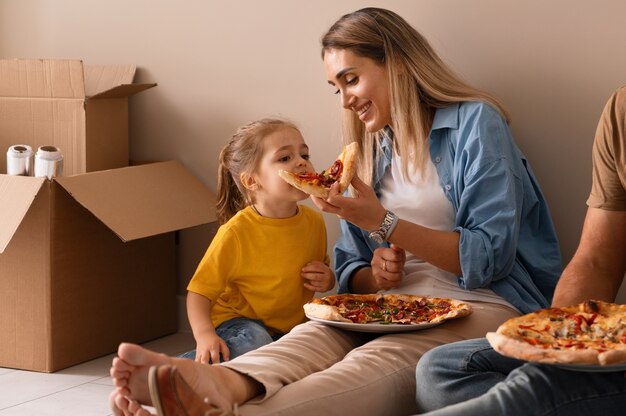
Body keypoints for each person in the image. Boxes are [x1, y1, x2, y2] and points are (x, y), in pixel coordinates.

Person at [108, 7, 562, 416]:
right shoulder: (368, 149)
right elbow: (350, 269)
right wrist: (377, 276)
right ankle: (217, 382)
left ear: (396, 62)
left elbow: (490, 258)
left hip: (482, 302)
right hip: (393, 304)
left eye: (351, 79)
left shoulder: (475, 123)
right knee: (312, 336)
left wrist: (384, 224)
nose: (344, 100)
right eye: (336, 87)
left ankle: (228, 412)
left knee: (370, 360)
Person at [414, 85, 626, 416]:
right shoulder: (622, 110)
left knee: (530, 391)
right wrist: (557, 342)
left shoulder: (478, 120)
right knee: (440, 369)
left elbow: (486, 255)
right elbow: (597, 262)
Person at [180, 118, 335, 363]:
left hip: (289, 327)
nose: (302, 162)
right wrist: (205, 335)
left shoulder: (314, 221)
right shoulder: (237, 232)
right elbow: (198, 294)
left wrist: (327, 277)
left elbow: (320, 273)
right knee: (256, 342)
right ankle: (173, 371)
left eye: (304, 154)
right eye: (285, 158)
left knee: (328, 339)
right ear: (252, 181)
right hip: (239, 324)